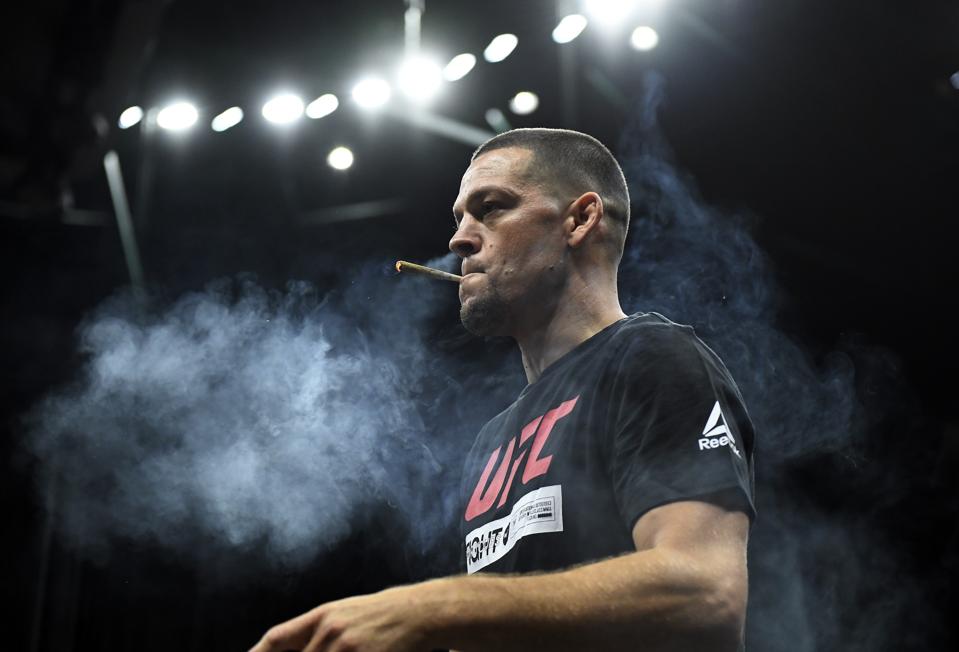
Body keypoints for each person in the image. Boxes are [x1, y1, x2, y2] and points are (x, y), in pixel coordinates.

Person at [250, 128, 756, 652]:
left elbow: (705, 592)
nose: (459, 240)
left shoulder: (652, 358)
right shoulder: (491, 442)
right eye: (459, 218)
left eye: (490, 208)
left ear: (579, 220)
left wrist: (438, 607)